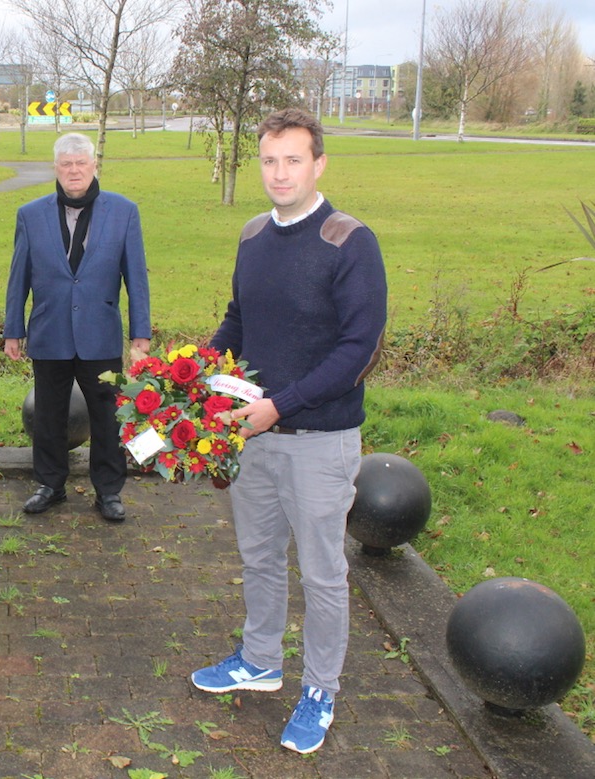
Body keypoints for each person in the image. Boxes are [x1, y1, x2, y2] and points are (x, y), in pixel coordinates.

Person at [189, 108, 388, 754]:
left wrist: (282, 403)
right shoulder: (252, 235)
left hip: (319, 440)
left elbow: (358, 347)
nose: (279, 173)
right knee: (258, 555)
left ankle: (321, 688)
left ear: (318, 164)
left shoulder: (348, 241)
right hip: (254, 434)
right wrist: (194, 373)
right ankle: (260, 658)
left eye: (292, 160)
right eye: (269, 160)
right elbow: (237, 322)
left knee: (323, 572)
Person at [2, 132, 151, 523]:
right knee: (49, 414)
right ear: (55, 168)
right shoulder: (30, 214)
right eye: (66, 164)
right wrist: (13, 328)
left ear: (93, 166)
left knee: (107, 416)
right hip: (49, 331)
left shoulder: (123, 212)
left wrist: (141, 333)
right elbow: (18, 276)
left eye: (80, 164)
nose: (73, 171)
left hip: (99, 333)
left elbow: (136, 277)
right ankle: (49, 485)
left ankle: (109, 491)